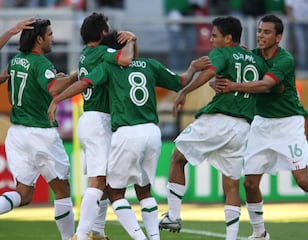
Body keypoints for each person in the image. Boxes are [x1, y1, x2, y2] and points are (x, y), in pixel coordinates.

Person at [47, 30, 210, 240]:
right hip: (152, 132)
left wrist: (58, 99)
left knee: (115, 193)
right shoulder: (150, 65)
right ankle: (153, 238)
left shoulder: (108, 67)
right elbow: (180, 82)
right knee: (144, 190)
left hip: (127, 133)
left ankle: (136, 238)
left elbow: (84, 83)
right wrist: (193, 68)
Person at [214, 14, 308, 240]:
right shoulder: (252, 56)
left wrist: (234, 85)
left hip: (289, 124)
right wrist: (214, 79)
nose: (260, 35)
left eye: (266, 32)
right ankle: (259, 233)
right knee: (250, 182)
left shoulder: (285, 59)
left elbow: (266, 85)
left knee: (302, 179)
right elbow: (223, 71)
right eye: (259, 31)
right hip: (262, 124)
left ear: (279, 37)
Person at [159, 16, 268, 240]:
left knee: (177, 158)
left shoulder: (222, 52)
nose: (211, 39)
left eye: (215, 35)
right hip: (242, 128)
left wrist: (184, 92)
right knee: (231, 184)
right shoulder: (255, 59)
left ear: (228, 38)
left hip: (218, 120)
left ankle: (173, 215)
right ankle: (232, 237)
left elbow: (209, 71)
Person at [0, 18, 76, 240]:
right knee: (62, 191)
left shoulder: (15, 60)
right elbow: (53, 89)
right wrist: (76, 76)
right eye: (50, 34)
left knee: (23, 195)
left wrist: (58, 79)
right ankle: (68, 238)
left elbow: (11, 79)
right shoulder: (42, 63)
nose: (53, 39)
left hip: (17, 135)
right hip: (41, 133)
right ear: (39, 38)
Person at [68, 12, 137, 240]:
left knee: (106, 178)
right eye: (107, 28)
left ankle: (96, 231)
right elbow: (126, 60)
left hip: (92, 118)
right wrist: (132, 40)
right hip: (99, 119)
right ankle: (81, 234)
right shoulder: (102, 52)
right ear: (103, 33)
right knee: (98, 180)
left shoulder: (86, 53)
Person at [285, 0, 308, 71]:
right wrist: (290, 16)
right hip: (298, 21)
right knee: (302, 46)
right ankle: (303, 69)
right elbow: (288, 4)